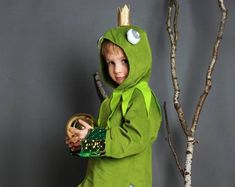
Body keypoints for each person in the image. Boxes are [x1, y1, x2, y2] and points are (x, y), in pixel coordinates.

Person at [66, 25, 162, 187]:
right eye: (111, 62)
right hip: (101, 178)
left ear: (139, 59)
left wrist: (93, 137)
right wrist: (83, 142)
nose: (117, 70)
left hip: (123, 181)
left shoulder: (140, 96)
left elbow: (135, 138)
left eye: (124, 61)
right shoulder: (112, 100)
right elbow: (109, 138)